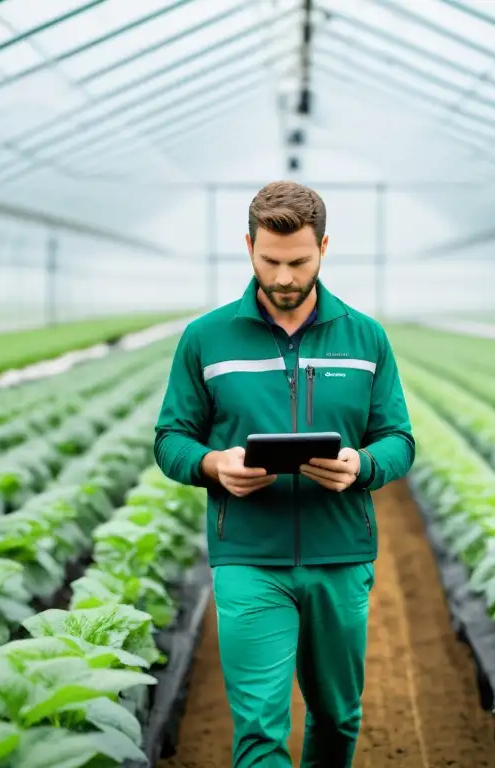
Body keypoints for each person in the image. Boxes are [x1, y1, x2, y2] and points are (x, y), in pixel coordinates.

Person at [153, 180, 415, 767]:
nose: (284, 277)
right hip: (248, 556)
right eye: (270, 261)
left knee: (338, 716)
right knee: (260, 731)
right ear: (248, 247)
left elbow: (398, 440)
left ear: (324, 247)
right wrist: (212, 464)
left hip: (340, 556)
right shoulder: (207, 338)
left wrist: (362, 464)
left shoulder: (365, 337)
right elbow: (170, 440)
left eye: (299, 261)